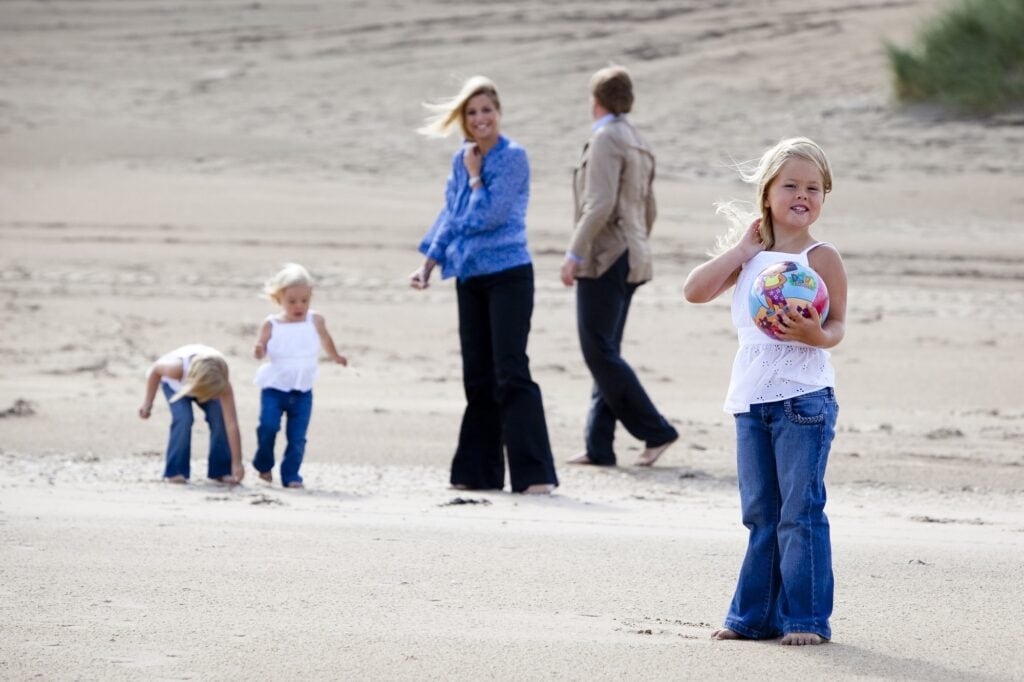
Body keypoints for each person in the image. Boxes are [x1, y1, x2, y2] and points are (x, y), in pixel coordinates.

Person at [682, 137, 847, 645]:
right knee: (761, 516)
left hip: (805, 400)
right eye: (791, 185)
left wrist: (816, 335)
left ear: (825, 195)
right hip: (751, 400)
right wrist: (740, 251)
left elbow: (838, 326)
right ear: (768, 193)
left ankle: (806, 619)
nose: (803, 196)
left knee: (799, 514)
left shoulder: (821, 257)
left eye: (814, 188)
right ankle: (752, 618)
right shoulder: (749, 258)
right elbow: (694, 291)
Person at [409, 75, 558, 495]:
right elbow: (450, 214)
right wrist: (429, 262)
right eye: (472, 112)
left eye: (486, 110)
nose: (480, 118)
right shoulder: (462, 158)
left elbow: (486, 216)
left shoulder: (513, 157)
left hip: (509, 273)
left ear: (499, 112)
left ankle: (535, 475)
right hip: (469, 275)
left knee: (510, 371)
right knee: (477, 377)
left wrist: (475, 178)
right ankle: (478, 474)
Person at [560, 65, 678, 468]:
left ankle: (656, 430)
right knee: (606, 350)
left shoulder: (607, 138)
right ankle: (598, 444)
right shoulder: (637, 139)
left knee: (598, 351)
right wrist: (638, 244)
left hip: (606, 255)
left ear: (595, 100)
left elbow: (599, 204)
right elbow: (650, 207)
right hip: (632, 253)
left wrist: (574, 253)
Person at [252, 263, 348, 489]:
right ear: (279, 298)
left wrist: (335, 356)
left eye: (304, 300)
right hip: (275, 387)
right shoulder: (272, 324)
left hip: (303, 389)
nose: (299, 306)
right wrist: (258, 350)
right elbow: (261, 348)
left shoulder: (315, 321)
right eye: (292, 301)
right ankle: (263, 464)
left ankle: (291, 475)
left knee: (297, 437)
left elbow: (325, 339)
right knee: (268, 427)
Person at [139, 345, 245, 484]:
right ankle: (175, 471)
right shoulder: (176, 369)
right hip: (176, 385)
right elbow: (155, 370)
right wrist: (148, 403)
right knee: (183, 417)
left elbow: (231, 424)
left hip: (209, 381)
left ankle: (222, 469)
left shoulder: (221, 382)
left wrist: (237, 463)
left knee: (220, 417)